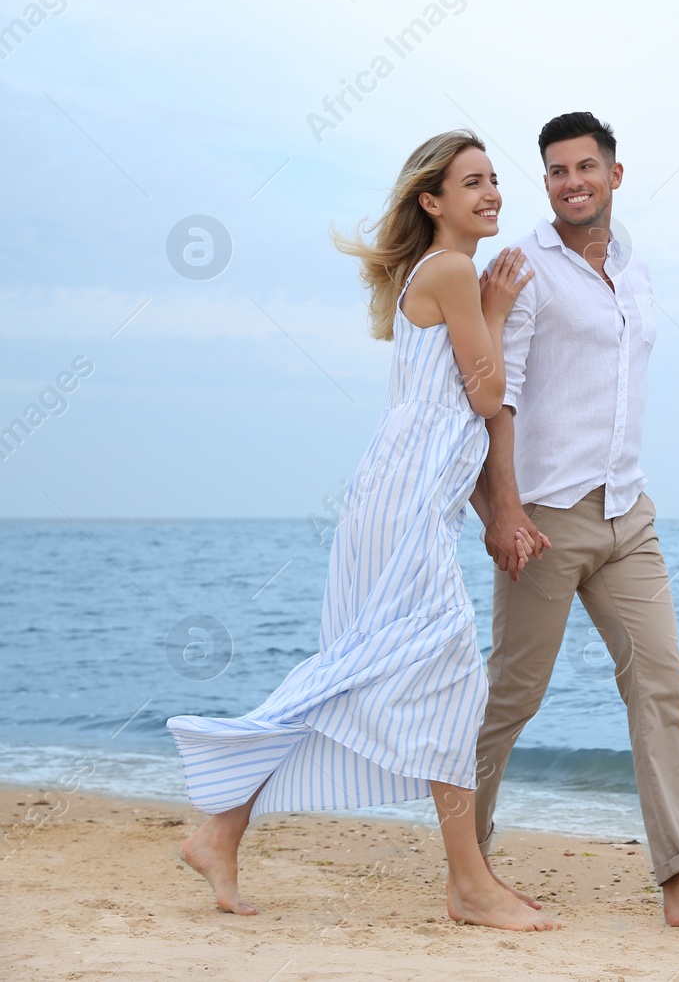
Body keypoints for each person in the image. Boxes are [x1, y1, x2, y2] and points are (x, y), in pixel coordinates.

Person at [167, 130, 560, 932]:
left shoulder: (442, 273)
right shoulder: (452, 272)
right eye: (472, 182)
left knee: (368, 675)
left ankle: (222, 827)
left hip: (405, 502)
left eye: (494, 180)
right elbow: (486, 399)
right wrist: (495, 307)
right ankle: (469, 885)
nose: (491, 193)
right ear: (432, 200)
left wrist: (493, 508)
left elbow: (461, 415)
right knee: (441, 673)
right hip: (405, 507)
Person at [470, 111, 679, 926]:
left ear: (615, 173)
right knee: (512, 695)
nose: (572, 182)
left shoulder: (635, 268)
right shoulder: (521, 267)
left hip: (627, 515)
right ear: (547, 184)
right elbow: (495, 394)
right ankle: (468, 856)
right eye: (557, 171)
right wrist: (503, 509)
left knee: (661, 681)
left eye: (585, 167)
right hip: (545, 518)